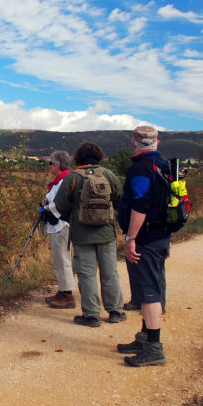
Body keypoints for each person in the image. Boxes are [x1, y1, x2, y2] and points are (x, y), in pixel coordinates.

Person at [53, 142, 126, 327]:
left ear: (78, 157)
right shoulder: (108, 175)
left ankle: (91, 315)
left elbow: (60, 205)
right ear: (99, 156)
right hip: (107, 233)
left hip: (82, 234)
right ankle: (115, 311)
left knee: (87, 274)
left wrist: (74, 213)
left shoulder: (73, 178)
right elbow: (120, 200)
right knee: (110, 273)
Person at [115, 125, 171, 367]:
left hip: (145, 238)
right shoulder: (165, 167)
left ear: (134, 142)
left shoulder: (141, 168)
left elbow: (141, 205)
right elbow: (169, 205)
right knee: (152, 287)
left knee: (148, 293)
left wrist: (131, 239)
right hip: (159, 235)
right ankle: (144, 338)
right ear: (157, 142)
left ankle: (154, 349)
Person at [41, 150, 75, 309]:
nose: (49, 166)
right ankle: (63, 291)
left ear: (58, 165)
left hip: (61, 224)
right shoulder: (61, 180)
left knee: (62, 259)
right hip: (57, 225)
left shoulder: (64, 181)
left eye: (51, 163)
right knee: (59, 259)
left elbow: (62, 202)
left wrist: (47, 208)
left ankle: (67, 295)